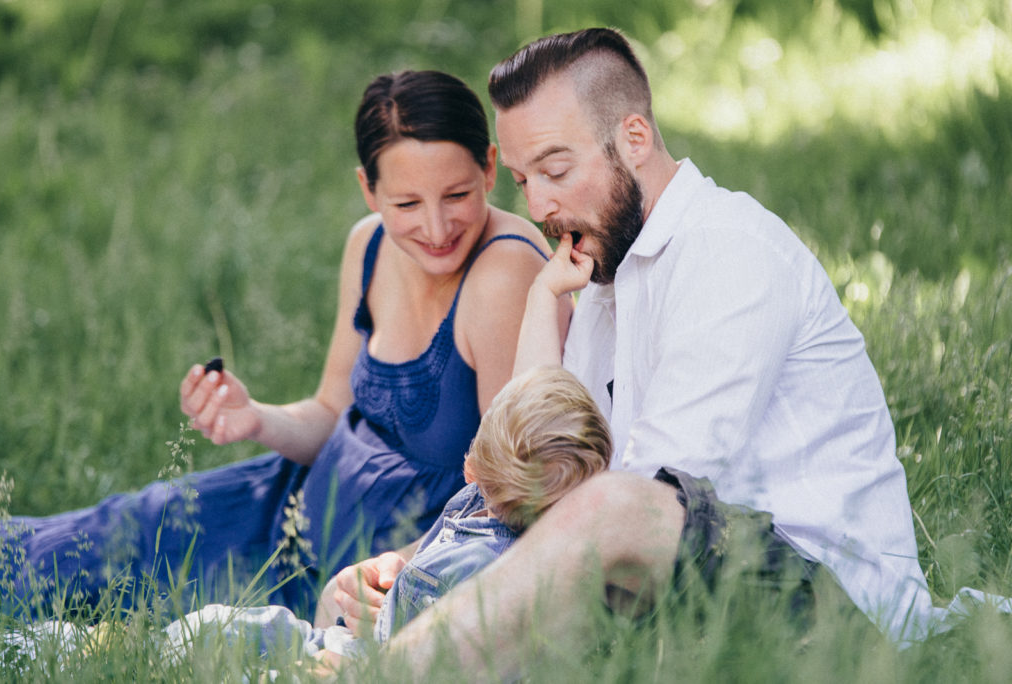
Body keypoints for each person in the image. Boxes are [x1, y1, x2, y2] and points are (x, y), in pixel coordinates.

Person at [331, 28, 946, 677]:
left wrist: (487, 584)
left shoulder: (728, 253)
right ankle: (352, 648)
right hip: (695, 591)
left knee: (614, 505)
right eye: (522, 179)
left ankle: (384, 673)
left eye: (557, 170)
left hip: (834, 615)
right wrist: (443, 574)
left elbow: (648, 503)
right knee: (382, 577)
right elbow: (540, 463)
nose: (538, 205)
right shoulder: (603, 276)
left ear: (634, 138)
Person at [0, 69, 569, 620]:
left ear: (490, 168)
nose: (438, 229)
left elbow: (505, 491)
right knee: (96, 539)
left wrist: (399, 569)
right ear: (368, 190)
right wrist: (255, 418)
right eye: (408, 204)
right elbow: (330, 412)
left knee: (152, 620)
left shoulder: (502, 276)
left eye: (457, 195)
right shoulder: (368, 245)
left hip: (375, 562)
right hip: (295, 505)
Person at [0, 366, 613, 673]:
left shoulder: (496, 570)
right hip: (319, 603)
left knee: (199, 637)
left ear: (477, 469)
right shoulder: (480, 508)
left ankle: (34, 653)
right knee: (192, 614)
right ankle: (48, 647)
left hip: (338, 656)